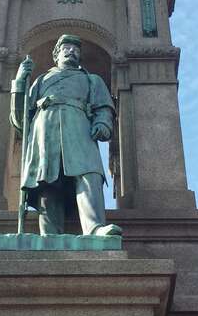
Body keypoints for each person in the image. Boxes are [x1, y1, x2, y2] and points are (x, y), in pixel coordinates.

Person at [10, 35, 121, 236]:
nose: (72, 52)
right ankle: (50, 234)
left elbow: (104, 107)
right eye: (66, 49)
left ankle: (94, 228)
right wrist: (19, 83)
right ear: (56, 55)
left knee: (89, 174)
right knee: (47, 180)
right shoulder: (41, 80)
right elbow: (21, 120)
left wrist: (103, 122)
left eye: (76, 50)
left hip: (78, 127)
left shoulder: (91, 79)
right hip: (45, 129)